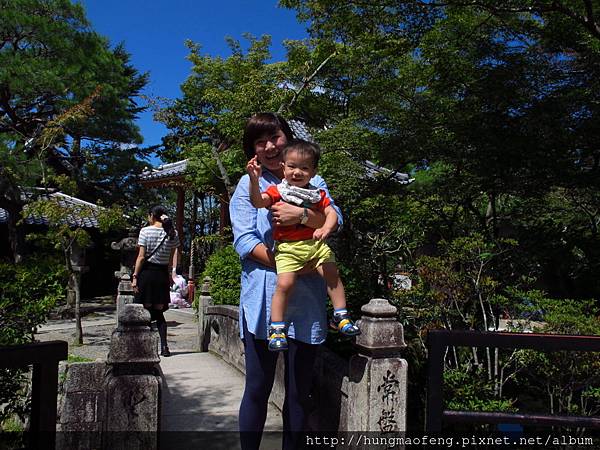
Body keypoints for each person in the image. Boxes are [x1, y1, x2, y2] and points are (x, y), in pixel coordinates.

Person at [230, 113, 342, 450]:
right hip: (264, 296)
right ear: (253, 149)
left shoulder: (314, 180)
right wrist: (289, 265)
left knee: (298, 392)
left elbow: (334, 220)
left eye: (274, 137)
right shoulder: (250, 183)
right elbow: (245, 241)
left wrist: (303, 215)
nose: (268, 147)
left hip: (306, 299)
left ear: (287, 138)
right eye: (259, 142)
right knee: (258, 388)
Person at [247, 139, 360, 351]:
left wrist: (326, 228)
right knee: (285, 285)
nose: (297, 172)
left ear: (314, 171)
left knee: (332, 273)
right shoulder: (277, 190)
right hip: (288, 248)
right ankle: (277, 328)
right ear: (283, 167)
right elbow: (258, 202)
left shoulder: (317, 193)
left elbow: (332, 213)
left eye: (304, 168)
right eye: (291, 167)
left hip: (314, 245)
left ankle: (341, 315)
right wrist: (255, 181)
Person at [132, 206, 180, 357]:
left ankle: (145, 348)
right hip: (161, 275)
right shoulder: (173, 233)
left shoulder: (145, 231)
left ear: (152, 215)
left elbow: (141, 257)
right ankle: (164, 347)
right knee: (159, 312)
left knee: (145, 311)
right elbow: (172, 258)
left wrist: (134, 276)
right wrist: (170, 275)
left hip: (146, 274)